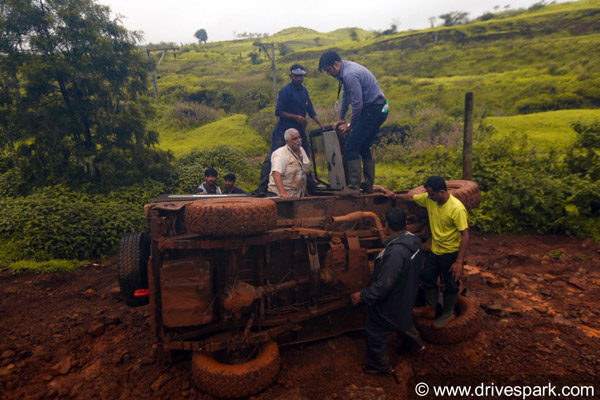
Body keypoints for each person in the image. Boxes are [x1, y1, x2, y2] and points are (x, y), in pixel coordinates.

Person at [350, 207, 424, 375]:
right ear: (405, 223)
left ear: (386, 225)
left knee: (375, 330)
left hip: (392, 301)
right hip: (407, 294)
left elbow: (384, 284)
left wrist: (362, 295)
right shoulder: (414, 241)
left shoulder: (396, 252)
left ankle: (379, 367)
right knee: (404, 320)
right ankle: (416, 345)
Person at [395, 176, 470, 328]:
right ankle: (430, 308)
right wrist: (393, 195)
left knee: (451, 283)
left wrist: (458, 261)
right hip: (435, 250)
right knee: (427, 276)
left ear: (442, 192)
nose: (429, 196)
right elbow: (411, 197)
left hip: (451, 252)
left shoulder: (456, 208)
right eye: (428, 193)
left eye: (431, 194)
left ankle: (448, 313)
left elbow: (465, 235)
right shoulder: (430, 199)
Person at [318, 50, 388, 196]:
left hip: (373, 110)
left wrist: (350, 125)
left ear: (336, 64)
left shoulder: (350, 74)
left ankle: (354, 187)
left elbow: (357, 104)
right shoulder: (345, 71)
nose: (329, 73)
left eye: (328, 70)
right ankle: (368, 185)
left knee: (351, 146)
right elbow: (345, 97)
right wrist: (341, 118)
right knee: (363, 146)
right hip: (379, 108)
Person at [257, 64, 324, 193]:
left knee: (304, 156)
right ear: (291, 76)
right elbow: (279, 111)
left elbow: (311, 110)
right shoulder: (285, 90)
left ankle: (310, 186)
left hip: (298, 131)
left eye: (301, 76)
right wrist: (297, 117)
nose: (299, 79)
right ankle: (263, 187)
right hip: (283, 130)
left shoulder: (304, 91)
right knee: (273, 156)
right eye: (296, 76)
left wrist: (320, 124)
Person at [267, 128, 310, 198]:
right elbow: (276, 174)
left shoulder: (301, 150)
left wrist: (305, 192)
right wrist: (283, 194)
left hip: (297, 194)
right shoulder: (280, 154)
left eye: (299, 137)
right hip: (280, 196)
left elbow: (302, 172)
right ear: (287, 141)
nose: (299, 140)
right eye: (295, 139)